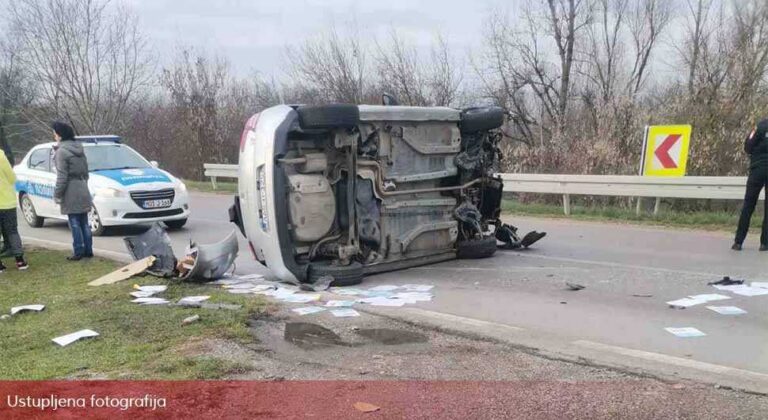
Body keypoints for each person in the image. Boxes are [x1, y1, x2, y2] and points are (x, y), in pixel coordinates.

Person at [52, 121, 94, 260]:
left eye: (55, 133)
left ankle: (78, 251)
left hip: (70, 189)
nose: (54, 136)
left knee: (74, 223)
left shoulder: (62, 152)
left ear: (60, 135)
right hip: (82, 186)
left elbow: (62, 177)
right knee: (84, 222)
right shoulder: (79, 149)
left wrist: (57, 195)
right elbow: (86, 171)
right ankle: (88, 250)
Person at [733, 118, 768, 251]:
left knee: (748, 205)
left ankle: (738, 242)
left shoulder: (760, 126)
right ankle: (765, 244)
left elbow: (748, 146)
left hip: (757, 170)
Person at [0, 148, 28, 271]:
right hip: (7, 201)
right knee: (12, 231)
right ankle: (20, 260)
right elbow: (12, 177)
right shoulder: (1, 155)